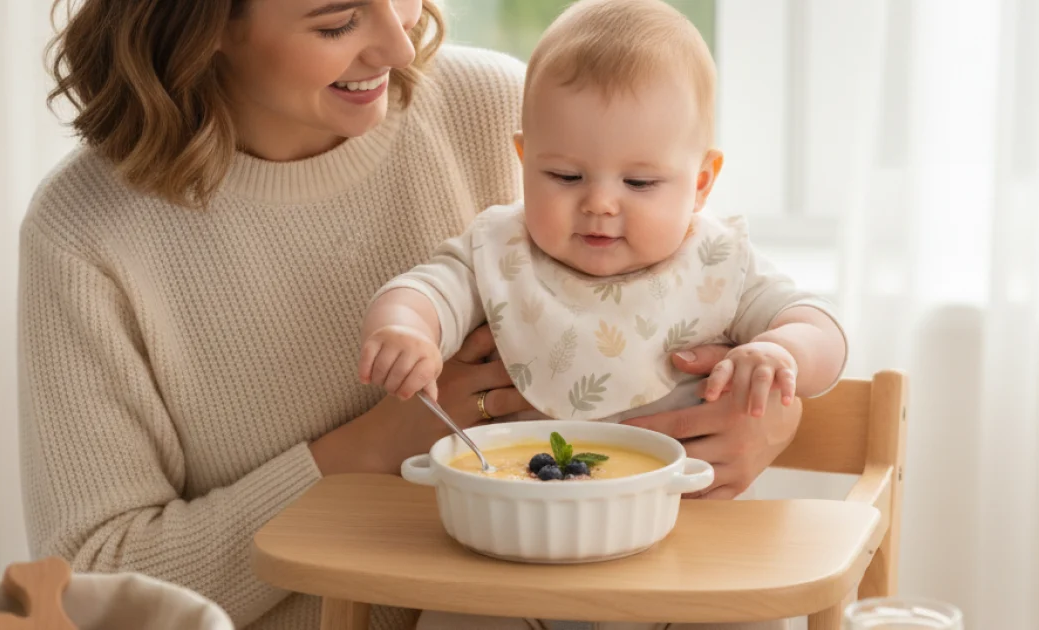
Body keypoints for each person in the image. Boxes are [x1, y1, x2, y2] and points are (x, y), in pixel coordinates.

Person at [20, 1, 816, 629]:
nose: (401, 48)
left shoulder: (499, 108)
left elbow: (689, 295)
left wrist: (763, 416)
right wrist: (372, 447)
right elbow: (98, 583)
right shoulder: (87, 235)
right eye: (337, 20)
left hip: (597, 591)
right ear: (205, 21)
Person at [357, 1, 848, 629]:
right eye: (564, 175)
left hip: (690, 557)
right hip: (514, 554)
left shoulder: (719, 259)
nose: (599, 205)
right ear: (523, 158)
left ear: (701, 182)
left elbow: (820, 325)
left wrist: (783, 352)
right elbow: (429, 288)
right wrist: (406, 327)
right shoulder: (500, 248)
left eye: (640, 184)